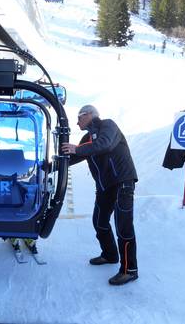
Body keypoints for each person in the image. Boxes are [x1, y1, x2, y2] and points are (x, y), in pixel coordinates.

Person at [62, 105, 138, 286]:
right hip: (105, 187)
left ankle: (130, 270)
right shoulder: (87, 139)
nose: (77, 121)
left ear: (89, 114)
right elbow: (72, 158)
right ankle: (110, 255)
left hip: (123, 182)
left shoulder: (108, 125)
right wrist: (47, 166)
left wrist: (76, 149)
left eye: (79, 117)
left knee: (123, 227)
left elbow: (105, 144)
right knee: (99, 222)